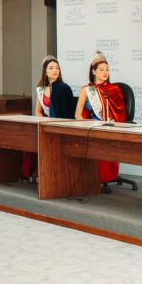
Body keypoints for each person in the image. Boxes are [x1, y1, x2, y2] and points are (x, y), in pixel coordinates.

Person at [21, 56, 76, 181]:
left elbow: (67, 113)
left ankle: (46, 175)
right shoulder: (41, 89)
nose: (55, 70)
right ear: (45, 72)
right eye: (51, 68)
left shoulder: (64, 88)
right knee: (31, 140)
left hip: (59, 126)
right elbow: (38, 111)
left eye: (57, 68)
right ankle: (30, 173)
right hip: (45, 124)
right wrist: (44, 123)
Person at [75, 52, 127, 186]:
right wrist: (87, 126)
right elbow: (78, 114)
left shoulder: (114, 89)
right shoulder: (86, 90)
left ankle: (104, 177)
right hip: (91, 127)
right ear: (94, 72)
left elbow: (119, 112)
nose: (105, 72)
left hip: (107, 128)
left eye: (107, 70)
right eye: (102, 70)